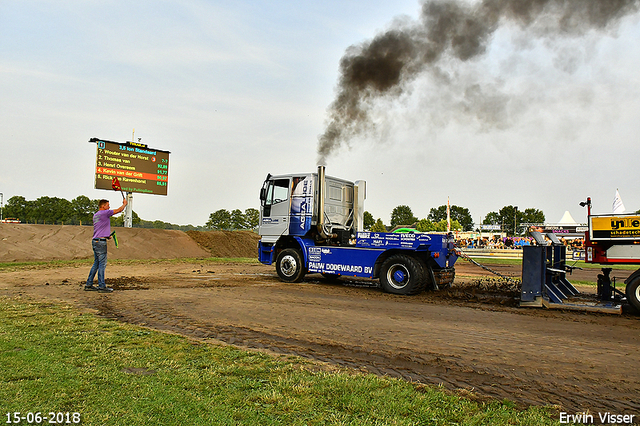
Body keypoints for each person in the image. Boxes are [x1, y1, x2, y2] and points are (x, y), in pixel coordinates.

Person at [85, 198, 127, 292]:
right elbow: (119, 210)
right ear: (103, 206)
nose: (109, 207)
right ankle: (101, 286)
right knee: (102, 265)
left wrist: (107, 236)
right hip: (100, 242)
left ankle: (89, 284)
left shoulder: (96, 215)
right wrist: (124, 204)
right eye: (108, 205)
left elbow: (100, 228)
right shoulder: (105, 213)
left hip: (95, 240)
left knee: (96, 263)